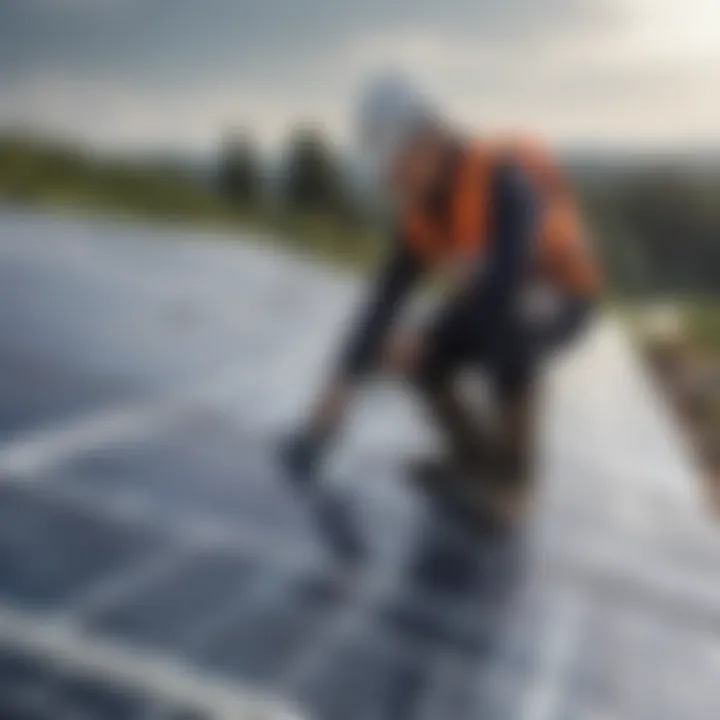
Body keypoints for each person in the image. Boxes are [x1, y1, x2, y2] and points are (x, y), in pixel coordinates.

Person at [282, 74, 601, 527]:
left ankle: (513, 485)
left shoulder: (500, 175)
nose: (392, 180)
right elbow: (383, 299)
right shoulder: (423, 210)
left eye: (396, 164)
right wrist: (341, 385)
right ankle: (472, 460)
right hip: (493, 298)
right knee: (408, 349)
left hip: (561, 296)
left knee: (502, 314)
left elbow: (506, 276)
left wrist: (444, 320)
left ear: (428, 139)